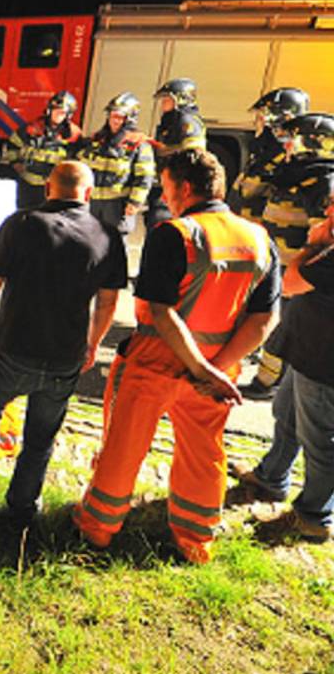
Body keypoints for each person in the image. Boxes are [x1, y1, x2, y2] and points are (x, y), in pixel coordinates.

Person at [73, 148, 280, 564]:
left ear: (184, 187)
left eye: (166, 187)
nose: (163, 196)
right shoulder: (259, 239)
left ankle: (97, 528)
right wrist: (214, 371)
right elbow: (264, 320)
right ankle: (196, 538)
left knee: (124, 447)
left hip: (155, 362)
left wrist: (195, 367)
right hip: (219, 366)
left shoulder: (175, 234)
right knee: (203, 452)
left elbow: (160, 312)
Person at [0, 162, 127, 525]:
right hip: (65, 355)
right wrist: (92, 345)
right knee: (41, 437)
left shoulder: (21, 224)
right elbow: (107, 302)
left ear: (48, 189)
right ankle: (22, 507)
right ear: (87, 194)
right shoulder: (107, 236)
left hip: (14, 347)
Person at [226, 191, 334, 542]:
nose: (327, 210)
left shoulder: (328, 255)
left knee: (320, 441)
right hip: (307, 353)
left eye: (332, 207)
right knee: (285, 416)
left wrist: (313, 243)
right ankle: (272, 478)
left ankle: (314, 516)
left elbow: (290, 283)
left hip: (323, 364)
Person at [245, 112, 334, 399]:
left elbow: (322, 237)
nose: (286, 145)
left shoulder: (323, 184)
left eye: (292, 140)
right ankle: (270, 380)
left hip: (294, 269)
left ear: (313, 144)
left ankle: (267, 383)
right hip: (279, 262)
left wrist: (302, 269)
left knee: (282, 325)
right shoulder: (296, 173)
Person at [77, 91, 155, 238]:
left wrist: (135, 202)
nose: (114, 120)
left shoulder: (138, 144)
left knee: (115, 245)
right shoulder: (97, 140)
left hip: (117, 206)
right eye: (112, 115)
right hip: (92, 202)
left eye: (119, 117)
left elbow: (144, 177)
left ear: (130, 119)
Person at [229, 88, 309, 222]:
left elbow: (249, 191)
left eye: (262, 117)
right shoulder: (267, 152)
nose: (257, 122)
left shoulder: (284, 155)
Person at [145, 78, 207, 231]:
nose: (162, 104)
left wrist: (162, 149)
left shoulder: (187, 121)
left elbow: (193, 152)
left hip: (175, 183)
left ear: (181, 99)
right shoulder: (171, 120)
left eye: (167, 99)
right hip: (165, 182)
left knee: (161, 222)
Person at [3, 91, 82, 209]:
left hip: (53, 188)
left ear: (68, 115)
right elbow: (13, 144)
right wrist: (15, 162)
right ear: (49, 110)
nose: (58, 115)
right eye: (56, 110)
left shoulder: (74, 135)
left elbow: (77, 161)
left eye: (62, 113)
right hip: (27, 185)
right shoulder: (32, 128)